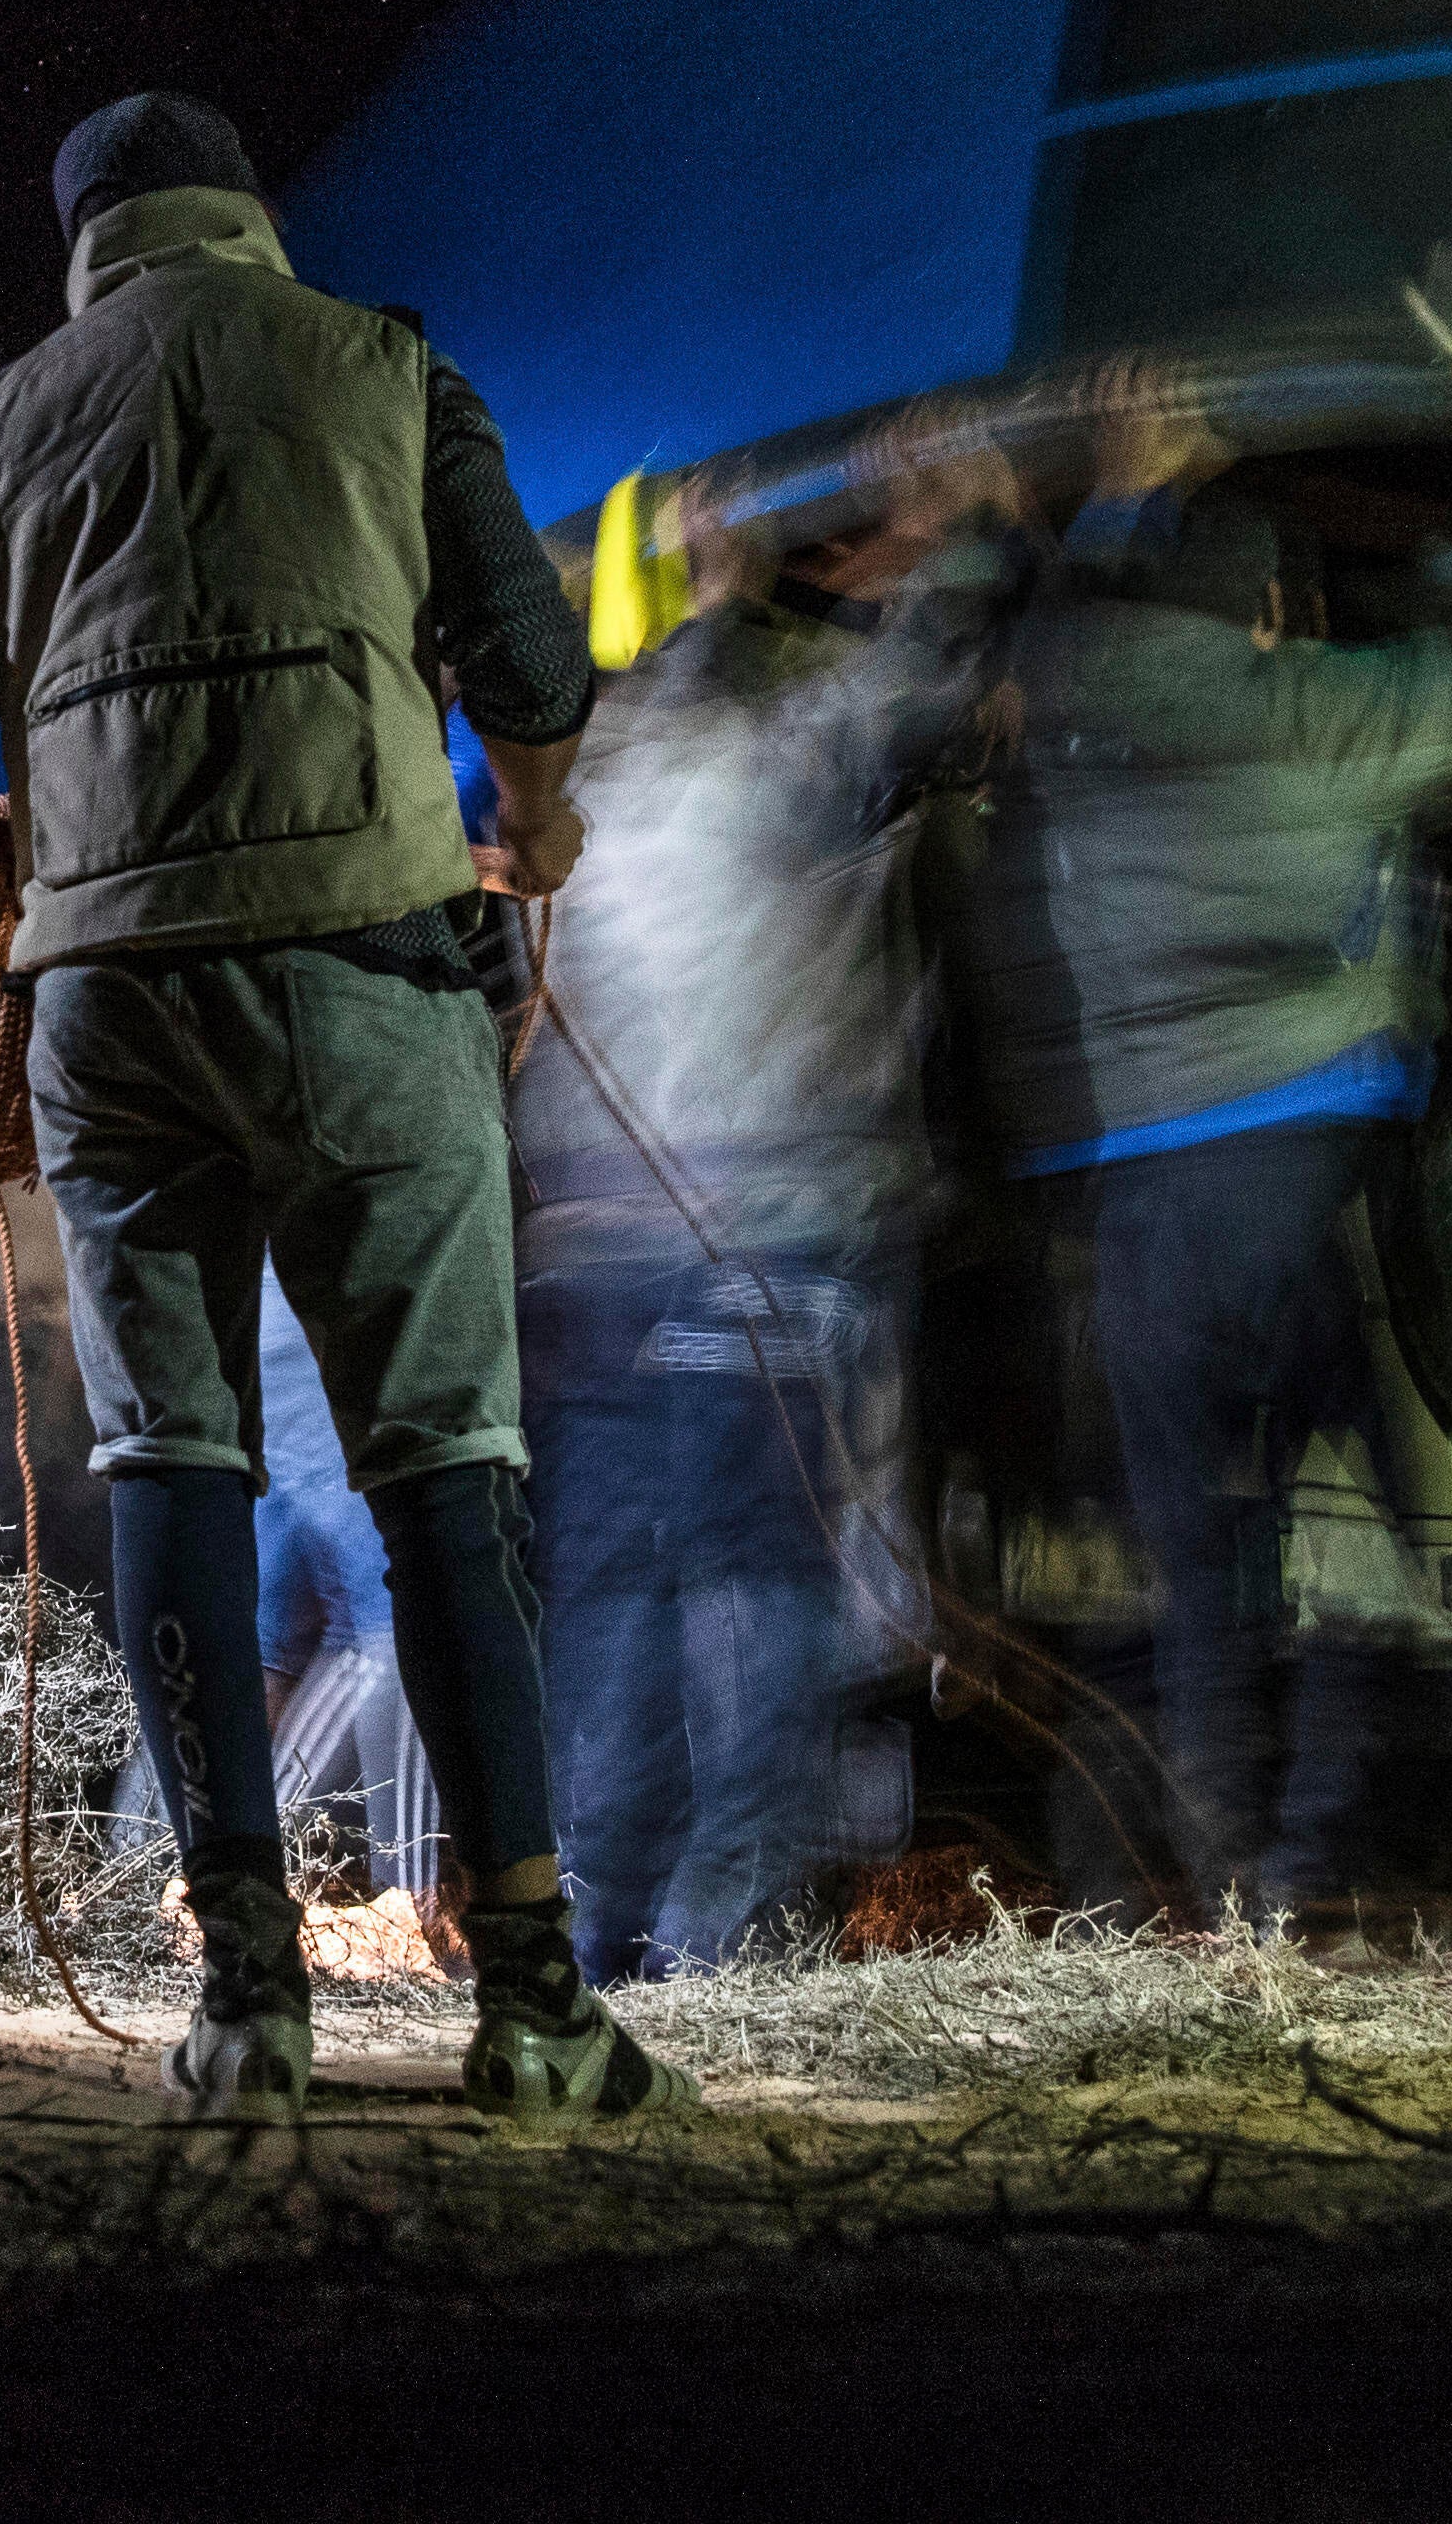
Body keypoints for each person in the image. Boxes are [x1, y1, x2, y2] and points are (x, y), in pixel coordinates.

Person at [0, 90, 689, 2126]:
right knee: (442, 1476)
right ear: (247, 221)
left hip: (111, 1015)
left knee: (175, 1469)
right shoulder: (386, 364)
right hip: (368, 979)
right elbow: (535, 673)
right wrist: (535, 828)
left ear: (87, 246)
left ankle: (247, 2004)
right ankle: (542, 2009)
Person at [961, 335, 1452, 1922]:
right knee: (1422, 1535)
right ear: (1264, 613)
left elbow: (1063, 627)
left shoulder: (1066, 708)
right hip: (1313, 1177)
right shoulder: (1295, 712)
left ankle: (1218, 1873)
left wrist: (1112, 507)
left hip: (1127, 1199)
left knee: (1194, 1568)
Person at [516, 433, 1019, 1978]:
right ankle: (725, 1945)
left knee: (613, 1591)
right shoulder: (777, 746)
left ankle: (595, 1934)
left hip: (591, 1255)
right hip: (761, 1227)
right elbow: (924, 690)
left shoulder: (580, 772)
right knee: (755, 1578)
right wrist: (976, 529)